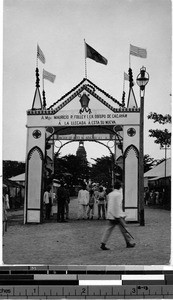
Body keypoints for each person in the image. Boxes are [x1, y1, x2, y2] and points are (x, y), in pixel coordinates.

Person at [100, 181, 135, 250]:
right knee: (124, 229)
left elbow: (110, 205)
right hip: (117, 215)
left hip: (110, 214)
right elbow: (117, 206)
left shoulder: (110, 194)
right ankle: (128, 242)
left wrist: (111, 214)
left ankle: (103, 243)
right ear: (120, 187)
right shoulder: (119, 194)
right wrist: (119, 215)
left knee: (108, 229)